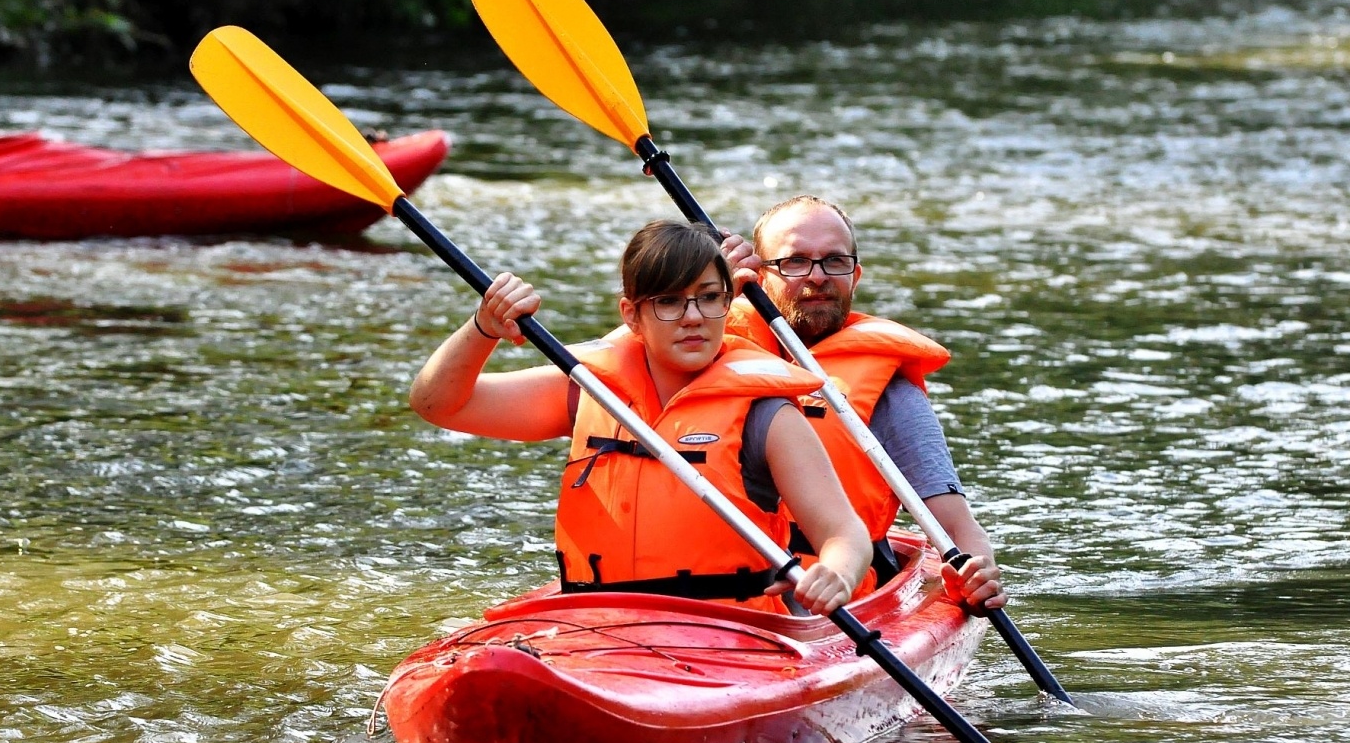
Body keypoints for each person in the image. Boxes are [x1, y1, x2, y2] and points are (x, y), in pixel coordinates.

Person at [409, 219, 871, 616]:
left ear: (727, 304)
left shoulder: (767, 415)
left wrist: (836, 572)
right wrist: (484, 327)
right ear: (632, 315)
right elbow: (439, 404)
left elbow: (844, 532)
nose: (693, 317)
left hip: (730, 636)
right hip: (598, 626)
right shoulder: (589, 390)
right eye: (669, 302)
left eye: (709, 298)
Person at [726, 195, 1007, 612]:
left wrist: (978, 573)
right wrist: (706, 290)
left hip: (829, 602)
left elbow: (956, 527)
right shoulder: (703, 355)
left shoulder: (891, 394)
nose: (817, 276)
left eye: (834, 261)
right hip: (712, 587)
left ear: (855, 276)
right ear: (759, 278)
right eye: (795, 261)